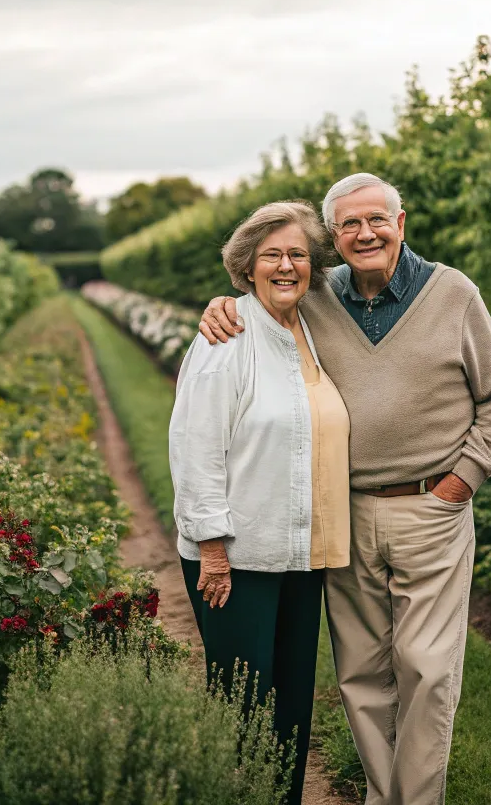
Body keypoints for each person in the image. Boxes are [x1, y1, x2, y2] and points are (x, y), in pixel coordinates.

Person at [199, 173, 491, 805]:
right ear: (333, 239)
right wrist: (222, 303)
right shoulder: (317, 298)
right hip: (341, 515)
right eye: (349, 224)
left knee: (426, 670)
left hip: (431, 508)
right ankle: (382, 795)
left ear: (401, 224)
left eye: (378, 219)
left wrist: (459, 484)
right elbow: (266, 290)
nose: (365, 233)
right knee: (362, 675)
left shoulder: (453, 294)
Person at [170, 200, 350, 805]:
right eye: (270, 255)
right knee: (244, 710)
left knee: (293, 707)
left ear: (314, 267)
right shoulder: (228, 336)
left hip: (299, 556)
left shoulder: (314, 328)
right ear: (245, 267)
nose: (285, 266)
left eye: (297, 254)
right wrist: (212, 550)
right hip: (237, 561)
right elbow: (196, 448)